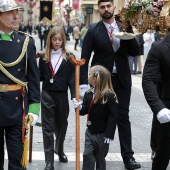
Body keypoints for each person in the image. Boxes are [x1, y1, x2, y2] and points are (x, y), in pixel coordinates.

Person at [80, 0, 141, 169]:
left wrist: (128, 30)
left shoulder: (123, 27)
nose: (106, 9)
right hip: (101, 82)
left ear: (114, 7)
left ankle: (128, 158)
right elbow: (84, 58)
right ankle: (100, 156)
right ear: (99, 10)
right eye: (102, 7)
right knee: (101, 117)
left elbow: (135, 52)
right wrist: (83, 86)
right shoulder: (93, 30)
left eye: (108, 6)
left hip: (121, 80)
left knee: (123, 118)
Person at [0, 0, 40, 169]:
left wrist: (33, 109)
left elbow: (33, 79)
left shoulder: (26, 42)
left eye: (17, 12)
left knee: (17, 160)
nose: (16, 16)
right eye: (10, 12)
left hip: (17, 109)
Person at [39, 26, 75, 170]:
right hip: (47, 94)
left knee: (62, 125)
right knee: (47, 127)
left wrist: (74, 96)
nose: (57, 42)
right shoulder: (43, 57)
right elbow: (39, 76)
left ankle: (59, 150)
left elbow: (72, 79)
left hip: (61, 94)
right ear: (50, 40)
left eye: (60, 39)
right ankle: (49, 161)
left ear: (63, 40)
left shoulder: (69, 57)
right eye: (54, 39)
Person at [74, 65, 118, 170]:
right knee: (87, 155)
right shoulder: (88, 94)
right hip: (90, 131)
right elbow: (85, 109)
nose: (87, 76)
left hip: (103, 134)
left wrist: (110, 134)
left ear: (94, 79)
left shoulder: (109, 96)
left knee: (100, 158)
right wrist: (79, 107)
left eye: (89, 74)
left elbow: (113, 116)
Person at [142, 28, 170, 170]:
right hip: (168, 109)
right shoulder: (159, 48)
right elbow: (148, 80)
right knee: (163, 154)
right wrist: (159, 108)